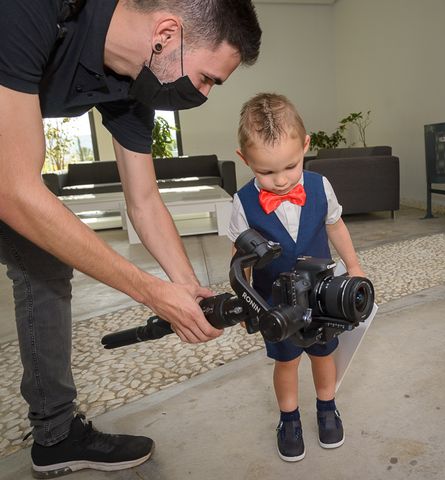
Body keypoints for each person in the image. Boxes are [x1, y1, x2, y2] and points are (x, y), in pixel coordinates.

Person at [0, 0, 261, 477]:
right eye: (207, 78)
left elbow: (143, 200)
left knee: (45, 262)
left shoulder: (128, 83)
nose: (202, 93)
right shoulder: (29, 9)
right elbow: (16, 189)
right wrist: (151, 292)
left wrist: (187, 288)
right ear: (165, 33)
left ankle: (56, 435)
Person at [228, 93, 366, 462]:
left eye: (290, 166)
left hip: (322, 293)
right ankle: (288, 419)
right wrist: (245, 302)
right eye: (266, 172)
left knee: (324, 353)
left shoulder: (320, 186)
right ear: (245, 160)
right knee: (286, 361)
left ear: (306, 146)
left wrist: (353, 267)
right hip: (275, 301)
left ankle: (326, 407)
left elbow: (335, 225)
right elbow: (239, 259)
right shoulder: (242, 202)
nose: (280, 180)